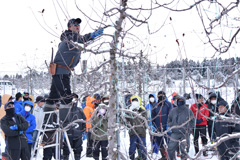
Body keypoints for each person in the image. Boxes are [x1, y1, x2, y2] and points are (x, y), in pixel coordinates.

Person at [45, 18, 103, 109]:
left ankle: (46, 117)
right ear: (69, 28)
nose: (77, 27)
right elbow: (83, 39)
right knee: (66, 98)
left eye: (78, 25)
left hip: (62, 72)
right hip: (61, 72)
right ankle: (66, 120)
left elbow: (83, 42)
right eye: (74, 25)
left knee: (53, 97)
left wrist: (93, 38)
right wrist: (93, 35)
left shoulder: (73, 40)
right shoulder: (70, 36)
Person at [62, 93, 86, 160]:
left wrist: (84, 131)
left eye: (75, 98)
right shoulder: (65, 110)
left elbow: (84, 120)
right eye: (72, 98)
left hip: (78, 135)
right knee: (66, 150)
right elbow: (62, 121)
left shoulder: (80, 110)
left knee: (78, 151)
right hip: (67, 135)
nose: (73, 100)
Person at [151, 91, 172, 160]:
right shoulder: (155, 106)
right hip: (157, 128)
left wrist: (169, 125)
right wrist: (152, 126)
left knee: (169, 143)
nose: (161, 96)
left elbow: (170, 116)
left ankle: (171, 157)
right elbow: (152, 117)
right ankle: (164, 156)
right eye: (159, 95)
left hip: (166, 127)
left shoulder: (168, 104)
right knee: (160, 143)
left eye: (162, 95)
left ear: (165, 96)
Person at [125, 96, 147, 160]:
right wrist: (129, 111)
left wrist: (143, 128)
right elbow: (126, 121)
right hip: (133, 133)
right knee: (132, 149)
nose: (134, 102)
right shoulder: (129, 111)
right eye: (133, 101)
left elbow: (146, 121)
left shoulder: (142, 110)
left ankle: (143, 158)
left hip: (141, 133)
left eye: (136, 101)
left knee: (143, 149)